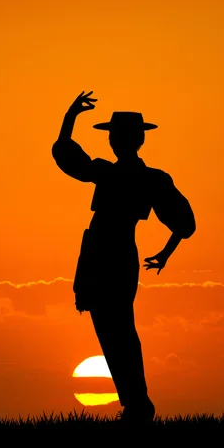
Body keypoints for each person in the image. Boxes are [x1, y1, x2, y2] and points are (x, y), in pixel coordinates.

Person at [52, 91, 196, 423]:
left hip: (109, 253)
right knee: (115, 329)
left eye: (118, 136)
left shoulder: (122, 175)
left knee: (117, 330)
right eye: (114, 136)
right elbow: (184, 223)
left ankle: (137, 405)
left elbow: (67, 155)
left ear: (128, 139)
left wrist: (71, 117)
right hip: (109, 253)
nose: (115, 141)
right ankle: (134, 404)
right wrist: (166, 252)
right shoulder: (144, 177)